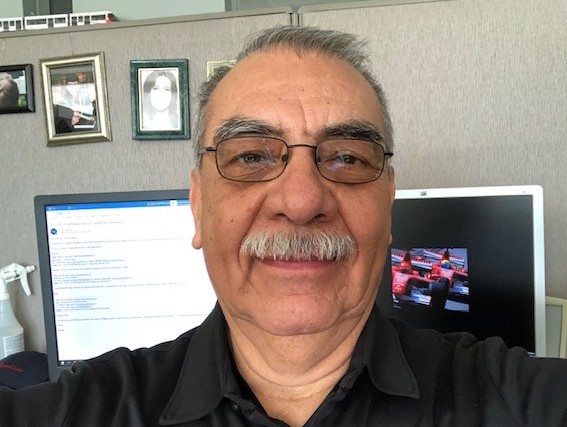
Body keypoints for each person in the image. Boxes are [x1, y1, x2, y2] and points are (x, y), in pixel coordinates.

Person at [1, 25, 566, 426]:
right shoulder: (79, 410)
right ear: (198, 205)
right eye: (250, 157)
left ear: (387, 204)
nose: (300, 201)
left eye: (346, 157)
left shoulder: (516, 400)